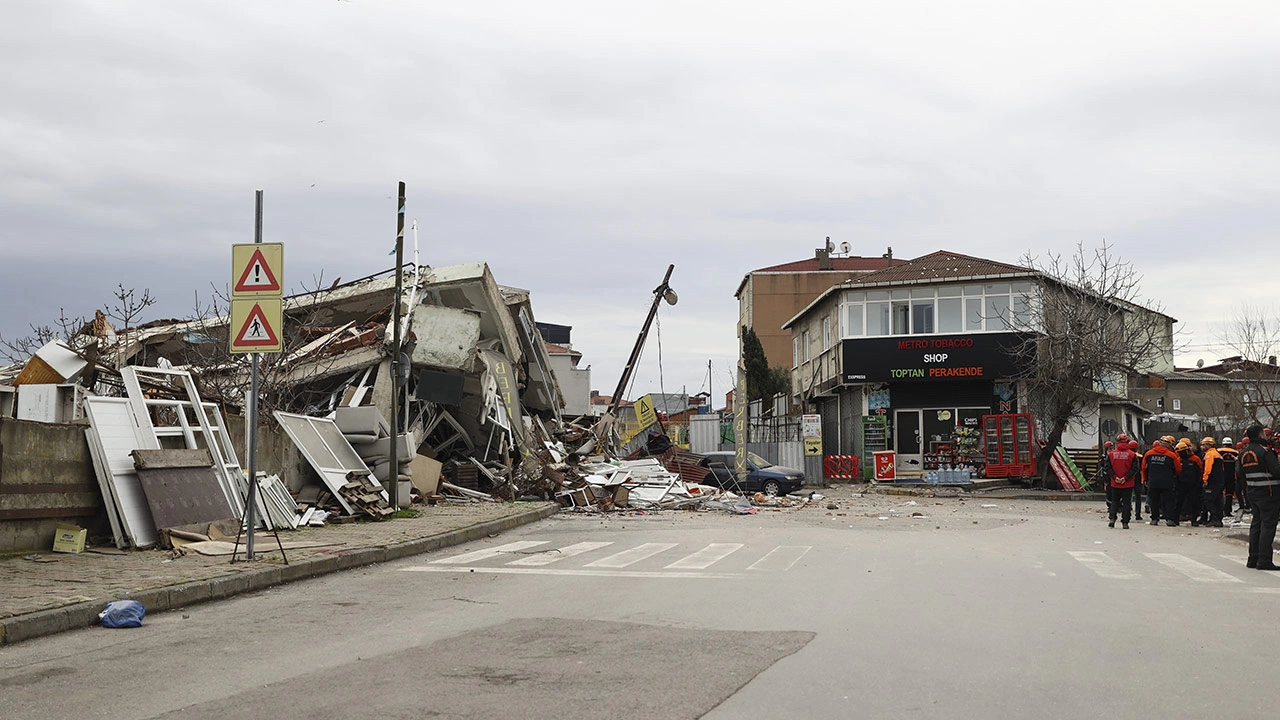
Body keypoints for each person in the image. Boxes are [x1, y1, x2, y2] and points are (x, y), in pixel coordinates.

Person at [1236, 425, 1280, 570]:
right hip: (1269, 494)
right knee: (1268, 526)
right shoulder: (1266, 452)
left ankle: (1252, 559)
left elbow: (1240, 474)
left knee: (1256, 525)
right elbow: (1276, 472)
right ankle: (1264, 560)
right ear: (1261, 434)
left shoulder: (1243, 453)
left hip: (1253, 493)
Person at [1142, 435, 1181, 526]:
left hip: (1153, 481)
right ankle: (1170, 519)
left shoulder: (1148, 454)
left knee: (1154, 501)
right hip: (1167, 482)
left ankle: (1154, 519)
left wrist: (1145, 479)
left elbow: (1144, 468)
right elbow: (1178, 469)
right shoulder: (1172, 455)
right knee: (1169, 501)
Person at [1106, 438, 1138, 528]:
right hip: (1128, 483)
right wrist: (1125, 478)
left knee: (1114, 502)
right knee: (1127, 503)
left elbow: (1107, 467)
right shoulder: (1132, 455)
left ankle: (1112, 519)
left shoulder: (1111, 454)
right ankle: (1125, 522)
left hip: (1115, 483)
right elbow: (1135, 468)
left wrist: (1115, 477)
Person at [1174, 438, 1204, 526]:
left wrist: (1199, 482)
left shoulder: (1196, 459)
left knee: (1194, 502)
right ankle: (1176, 519)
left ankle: (1193, 520)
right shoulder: (1179, 459)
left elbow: (1200, 471)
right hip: (1181, 484)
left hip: (1193, 484)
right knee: (1179, 501)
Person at [1199, 437, 1225, 527]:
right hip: (1219, 481)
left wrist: (1205, 479)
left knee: (1208, 500)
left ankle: (1215, 518)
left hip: (1212, 482)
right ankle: (1218, 519)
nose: (1202, 447)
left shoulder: (1210, 455)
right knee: (1217, 501)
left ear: (1209, 445)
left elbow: (1208, 469)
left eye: (1204, 445)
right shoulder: (1217, 454)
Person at [1220, 436, 1238, 516]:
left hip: (1221, 475)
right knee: (1229, 493)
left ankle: (1220, 509)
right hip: (1232, 475)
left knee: (1220, 493)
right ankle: (1227, 510)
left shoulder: (1218, 452)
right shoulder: (1236, 453)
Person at [1128, 440, 1145, 521]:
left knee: (1128, 496)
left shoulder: (1128, 455)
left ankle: (1128, 512)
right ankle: (1138, 515)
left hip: (1129, 478)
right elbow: (1143, 468)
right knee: (1138, 497)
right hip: (1138, 478)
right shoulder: (1140, 457)